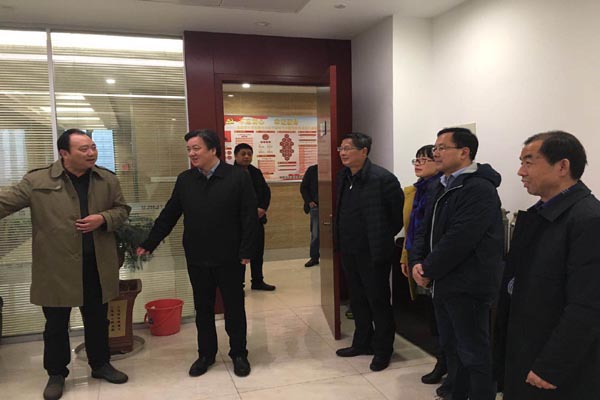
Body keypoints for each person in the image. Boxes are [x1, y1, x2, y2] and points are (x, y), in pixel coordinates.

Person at [0, 129, 131, 400]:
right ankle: (56, 373)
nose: (91, 153)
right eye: (84, 149)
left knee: (97, 319)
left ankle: (101, 364)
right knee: (56, 324)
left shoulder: (106, 179)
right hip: (56, 267)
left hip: (96, 264)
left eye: (93, 147)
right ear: (64, 153)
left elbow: (122, 210)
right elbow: (5, 203)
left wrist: (103, 218)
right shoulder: (37, 181)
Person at [137, 129, 257, 378]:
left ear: (212, 150)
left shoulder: (237, 177)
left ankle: (239, 353)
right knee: (203, 308)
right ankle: (206, 354)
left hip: (230, 256)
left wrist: (247, 250)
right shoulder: (185, 180)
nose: (191, 153)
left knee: (234, 307)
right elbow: (170, 213)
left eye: (196, 148)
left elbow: (248, 215)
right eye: (189, 149)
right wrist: (150, 242)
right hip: (197, 256)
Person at [497, 131, 600, 400]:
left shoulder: (588, 220)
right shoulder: (539, 214)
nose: (520, 171)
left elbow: (588, 305)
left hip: (553, 365)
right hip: (526, 346)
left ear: (562, 166)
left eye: (529, 162)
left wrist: (552, 366)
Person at [410, 127, 504, 400]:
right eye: (435, 148)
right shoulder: (441, 184)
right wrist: (417, 261)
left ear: (464, 152)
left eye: (442, 148)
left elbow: (460, 238)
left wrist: (428, 269)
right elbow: (424, 229)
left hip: (468, 285)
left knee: (473, 352)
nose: (436, 153)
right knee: (452, 348)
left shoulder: (479, 188)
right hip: (443, 282)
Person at [333, 132, 404, 372]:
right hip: (349, 250)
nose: (342, 153)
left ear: (364, 151)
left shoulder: (383, 179)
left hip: (374, 252)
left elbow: (396, 218)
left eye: (347, 148)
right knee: (358, 300)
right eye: (341, 148)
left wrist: (379, 237)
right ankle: (362, 342)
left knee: (378, 301)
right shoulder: (343, 176)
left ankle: (383, 349)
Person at [399, 145, 449, 392]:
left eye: (424, 159)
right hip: (417, 258)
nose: (418, 164)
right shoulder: (414, 191)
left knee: (445, 318)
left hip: (436, 262)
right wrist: (406, 257)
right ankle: (442, 360)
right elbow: (412, 229)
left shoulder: (442, 190)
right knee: (433, 314)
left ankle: (447, 363)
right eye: (416, 159)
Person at [233, 143, 276, 291]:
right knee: (240, 254)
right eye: (243, 154)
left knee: (258, 252)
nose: (246, 157)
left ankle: (257, 281)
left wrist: (262, 208)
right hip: (239, 223)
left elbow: (266, 192)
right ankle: (238, 285)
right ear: (236, 156)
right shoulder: (230, 173)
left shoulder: (255, 172)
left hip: (257, 220)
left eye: (249, 154)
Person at [300, 164, 319, 267]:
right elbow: (304, 187)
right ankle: (314, 257)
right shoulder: (312, 170)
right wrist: (309, 201)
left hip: (331, 205)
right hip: (316, 206)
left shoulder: (333, 169)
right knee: (316, 234)